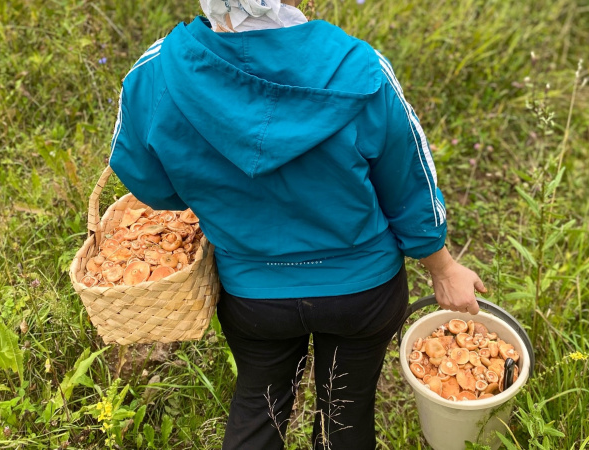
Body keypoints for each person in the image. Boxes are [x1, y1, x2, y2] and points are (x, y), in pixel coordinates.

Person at [109, 0, 487, 448]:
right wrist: (444, 270)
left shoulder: (154, 75)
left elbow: (149, 183)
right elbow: (409, 186)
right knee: (345, 415)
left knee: (259, 407)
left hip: (253, 298)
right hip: (362, 293)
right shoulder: (359, 67)